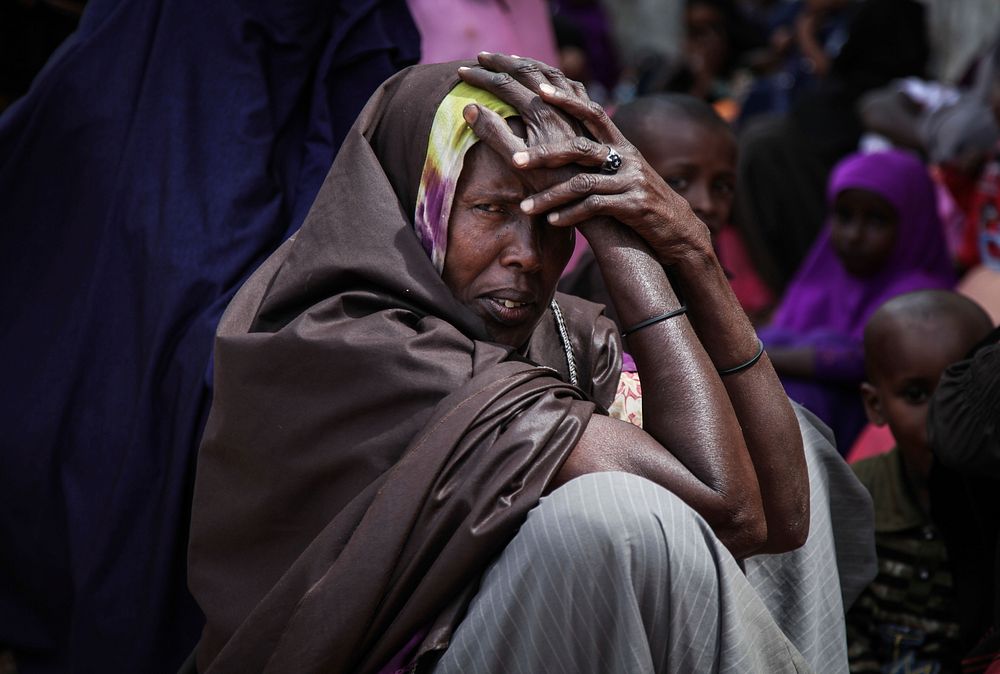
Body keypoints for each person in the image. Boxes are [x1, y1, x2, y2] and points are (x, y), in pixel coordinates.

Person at [181, 53, 873, 674]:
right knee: (614, 517)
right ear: (414, 207)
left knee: (795, 440)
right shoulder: (361, 341)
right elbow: (730, 510)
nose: (528, 252)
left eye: (554, 218)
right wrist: (617, 237)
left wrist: (692, 250)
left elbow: (781, 520)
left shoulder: (561, 332)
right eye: (490, 209)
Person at [759, 149, 955, 453]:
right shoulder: (823, 273)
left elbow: (862, 360)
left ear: (912, 225)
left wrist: (759, 355)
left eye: (876, 220)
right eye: (844, 216)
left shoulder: (923, 296)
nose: (854, 235)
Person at [846, 290, 994, 673]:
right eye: (917, 395)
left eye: (957, 396)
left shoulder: (992, 507)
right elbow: (837, 616)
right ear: (875, 405)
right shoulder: (856, 495)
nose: (940, 419)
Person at [560, 93, 774, 327]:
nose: (706, 204)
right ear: (614, 181)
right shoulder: (615, 282)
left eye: (722, 186)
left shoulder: (692, 267)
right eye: (677, 182)